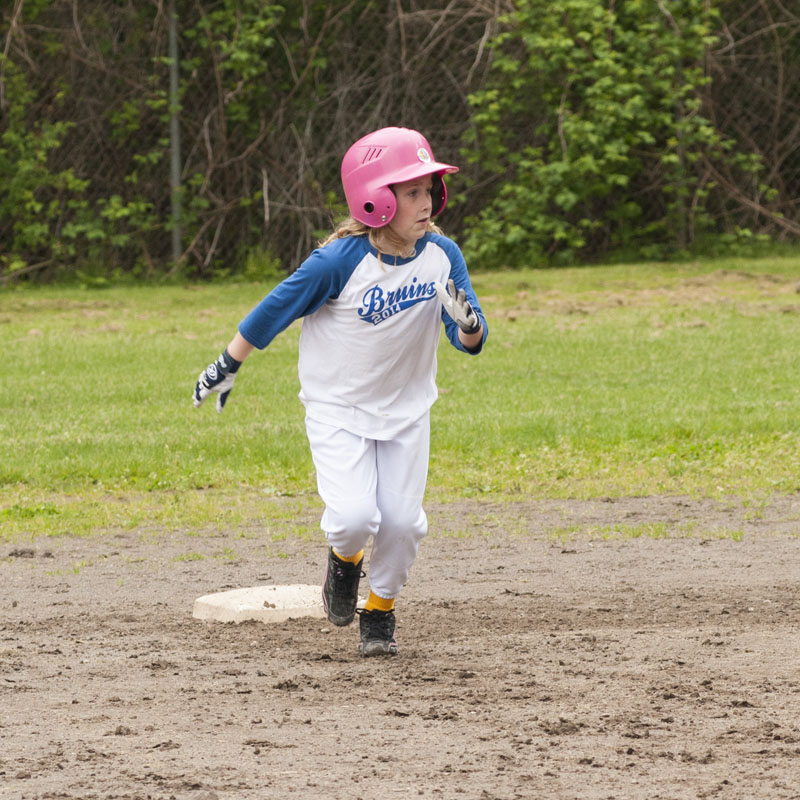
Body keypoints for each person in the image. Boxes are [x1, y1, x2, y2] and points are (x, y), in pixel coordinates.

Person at [192, 126, 488, 656]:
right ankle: (344, 562)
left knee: (402, 524)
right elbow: (275, 308)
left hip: (407, 413)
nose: (427, 202)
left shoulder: (442, 256)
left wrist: (467, 323)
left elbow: (469, 340)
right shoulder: (341, 261)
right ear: (375, 198)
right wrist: (227, 364)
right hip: (338, 410)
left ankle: (379, 611)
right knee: (354, 519)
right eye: (412, 191)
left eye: (428, 190)